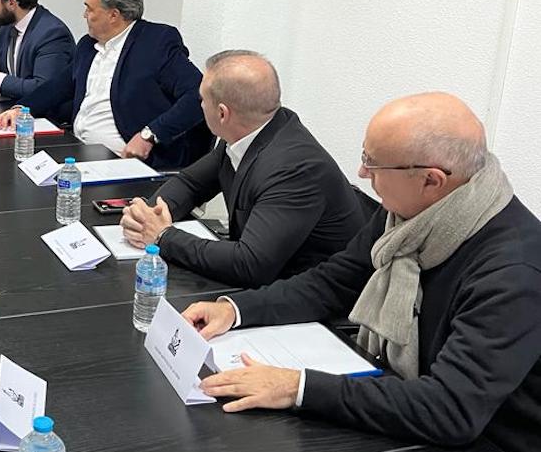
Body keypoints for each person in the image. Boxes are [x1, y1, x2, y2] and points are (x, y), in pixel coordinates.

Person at [182, 92, 541, 451]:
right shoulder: (410, 215)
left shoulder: (513, 273)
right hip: (397, 393)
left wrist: (297, 387)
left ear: (431, 180)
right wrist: (235, 310)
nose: (362, 173)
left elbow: (451, 411)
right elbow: (333, 282)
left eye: (373, 163)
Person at [120, 50, 365, 288]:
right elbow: (191, 183)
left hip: (311, 296)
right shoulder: (253, 130)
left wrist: (163, 235)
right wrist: (148, 215)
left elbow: (250, 264)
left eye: (202, 100)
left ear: (222, 113)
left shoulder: (295, 169)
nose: (200, 105)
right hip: (271, 281)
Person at [0, 0, 211, 169]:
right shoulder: (88, 46)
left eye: (89, 9)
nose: (84, 15)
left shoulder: (156, 43)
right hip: (77, 150)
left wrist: (149, 135)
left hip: (126, 160)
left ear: (113, 15)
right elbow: (58, 86)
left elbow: (199, 95)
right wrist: (22, 109)